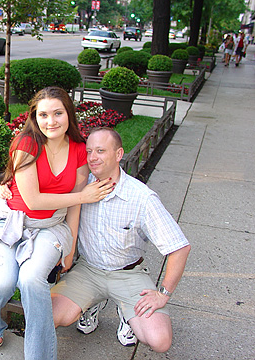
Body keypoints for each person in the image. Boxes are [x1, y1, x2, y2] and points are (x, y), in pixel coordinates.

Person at [0, 87, 113, 360]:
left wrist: (71, 246)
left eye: (58, 113)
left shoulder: (77, 150)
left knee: (31, 280)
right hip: (11, 221)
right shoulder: (26, 144)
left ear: (68, 114)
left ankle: (39, 355)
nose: (51, 121)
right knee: (2, 281)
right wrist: (83, 194)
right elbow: (33, 199)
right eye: (43, 115)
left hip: (52, 226)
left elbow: (73, 206)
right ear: (34, 118)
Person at [51, 127, 191, 353]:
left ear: (118, 155)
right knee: (48, 316)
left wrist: (163, 294)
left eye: (100, 150)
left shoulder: (141, 198)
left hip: (128, 274)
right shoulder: (80, 186)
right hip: (88, 271)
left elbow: (180, 248)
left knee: (159, 340)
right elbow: (39, 187)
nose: (92, 158)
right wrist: (6, 185)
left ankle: (128, 314)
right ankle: (91, 304)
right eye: (89, 151)